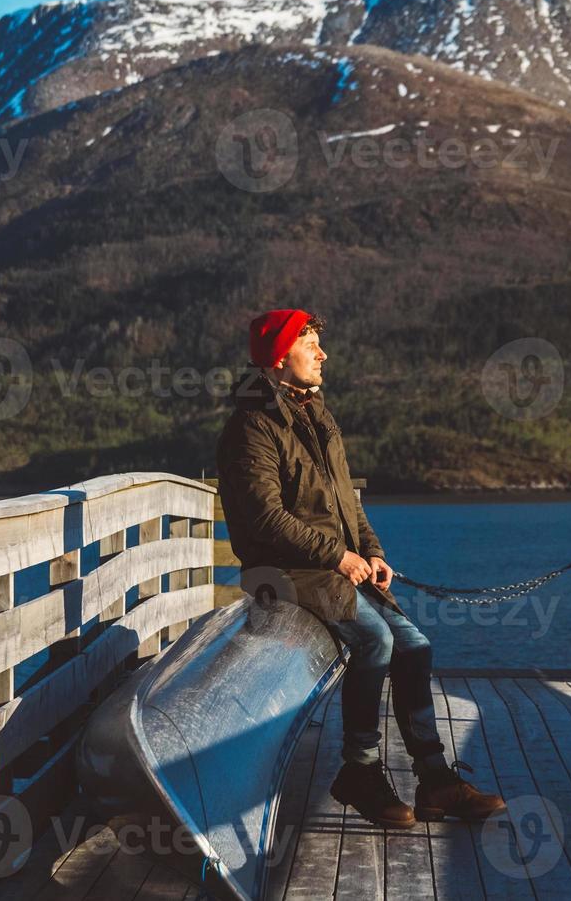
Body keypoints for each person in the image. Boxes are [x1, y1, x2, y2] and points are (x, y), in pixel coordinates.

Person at [216, 308, 506, 829]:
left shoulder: (317, 415)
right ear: (280, 356)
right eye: (311, 344)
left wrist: (371, 551)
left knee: (415, 643)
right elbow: (264, 518)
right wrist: (336, 556)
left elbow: (346, 503)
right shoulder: (252, 426)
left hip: (332, 568)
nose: (323, 354)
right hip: (286, 572)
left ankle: (436, 779)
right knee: (377, 641)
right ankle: (361, 773)